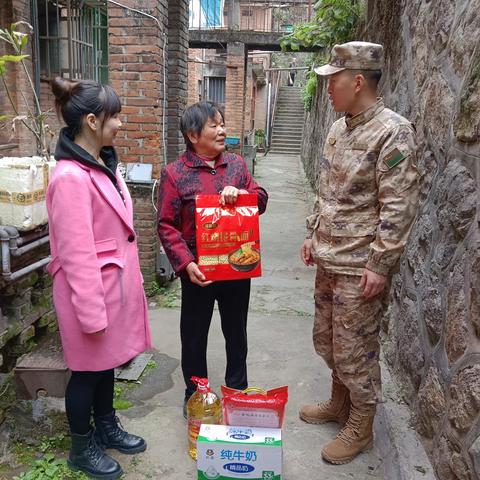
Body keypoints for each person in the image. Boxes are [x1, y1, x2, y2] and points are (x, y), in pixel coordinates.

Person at [299, 42, 419, 464]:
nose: (328, 88)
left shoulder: (393, 131)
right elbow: (326, 188)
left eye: (333, 80)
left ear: (358, 81)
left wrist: (380, 264)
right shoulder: (338, 128)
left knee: (356, 350)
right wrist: (313, 234)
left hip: (359, 267)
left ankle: (361, 425)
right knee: (328, 341)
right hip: (330, 257)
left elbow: (399, 204)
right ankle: (338, 403)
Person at [46, 77, 152, 479]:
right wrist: (91, 314)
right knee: (86, 372)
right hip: (88, 293)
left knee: (105, 365)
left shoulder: (102, 164)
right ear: (91, 121)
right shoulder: (70, 177)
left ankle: (107, 426)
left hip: (111, 288)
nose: (120, 124)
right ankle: (81, 445)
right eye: (115, 117)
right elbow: (75, 255)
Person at [157, 101, 268, 417]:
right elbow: (166, 224)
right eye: (214, 125)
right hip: (198, 273)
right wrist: (185, 263)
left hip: (235, 267)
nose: (222, 130)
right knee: (193, 336)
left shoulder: (236, 166)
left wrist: (242, 195)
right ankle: (196, 393)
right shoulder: (175, 174)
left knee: (236, 332)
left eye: (222, 124)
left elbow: (260, 200)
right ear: (193, 135)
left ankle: (237, 391)